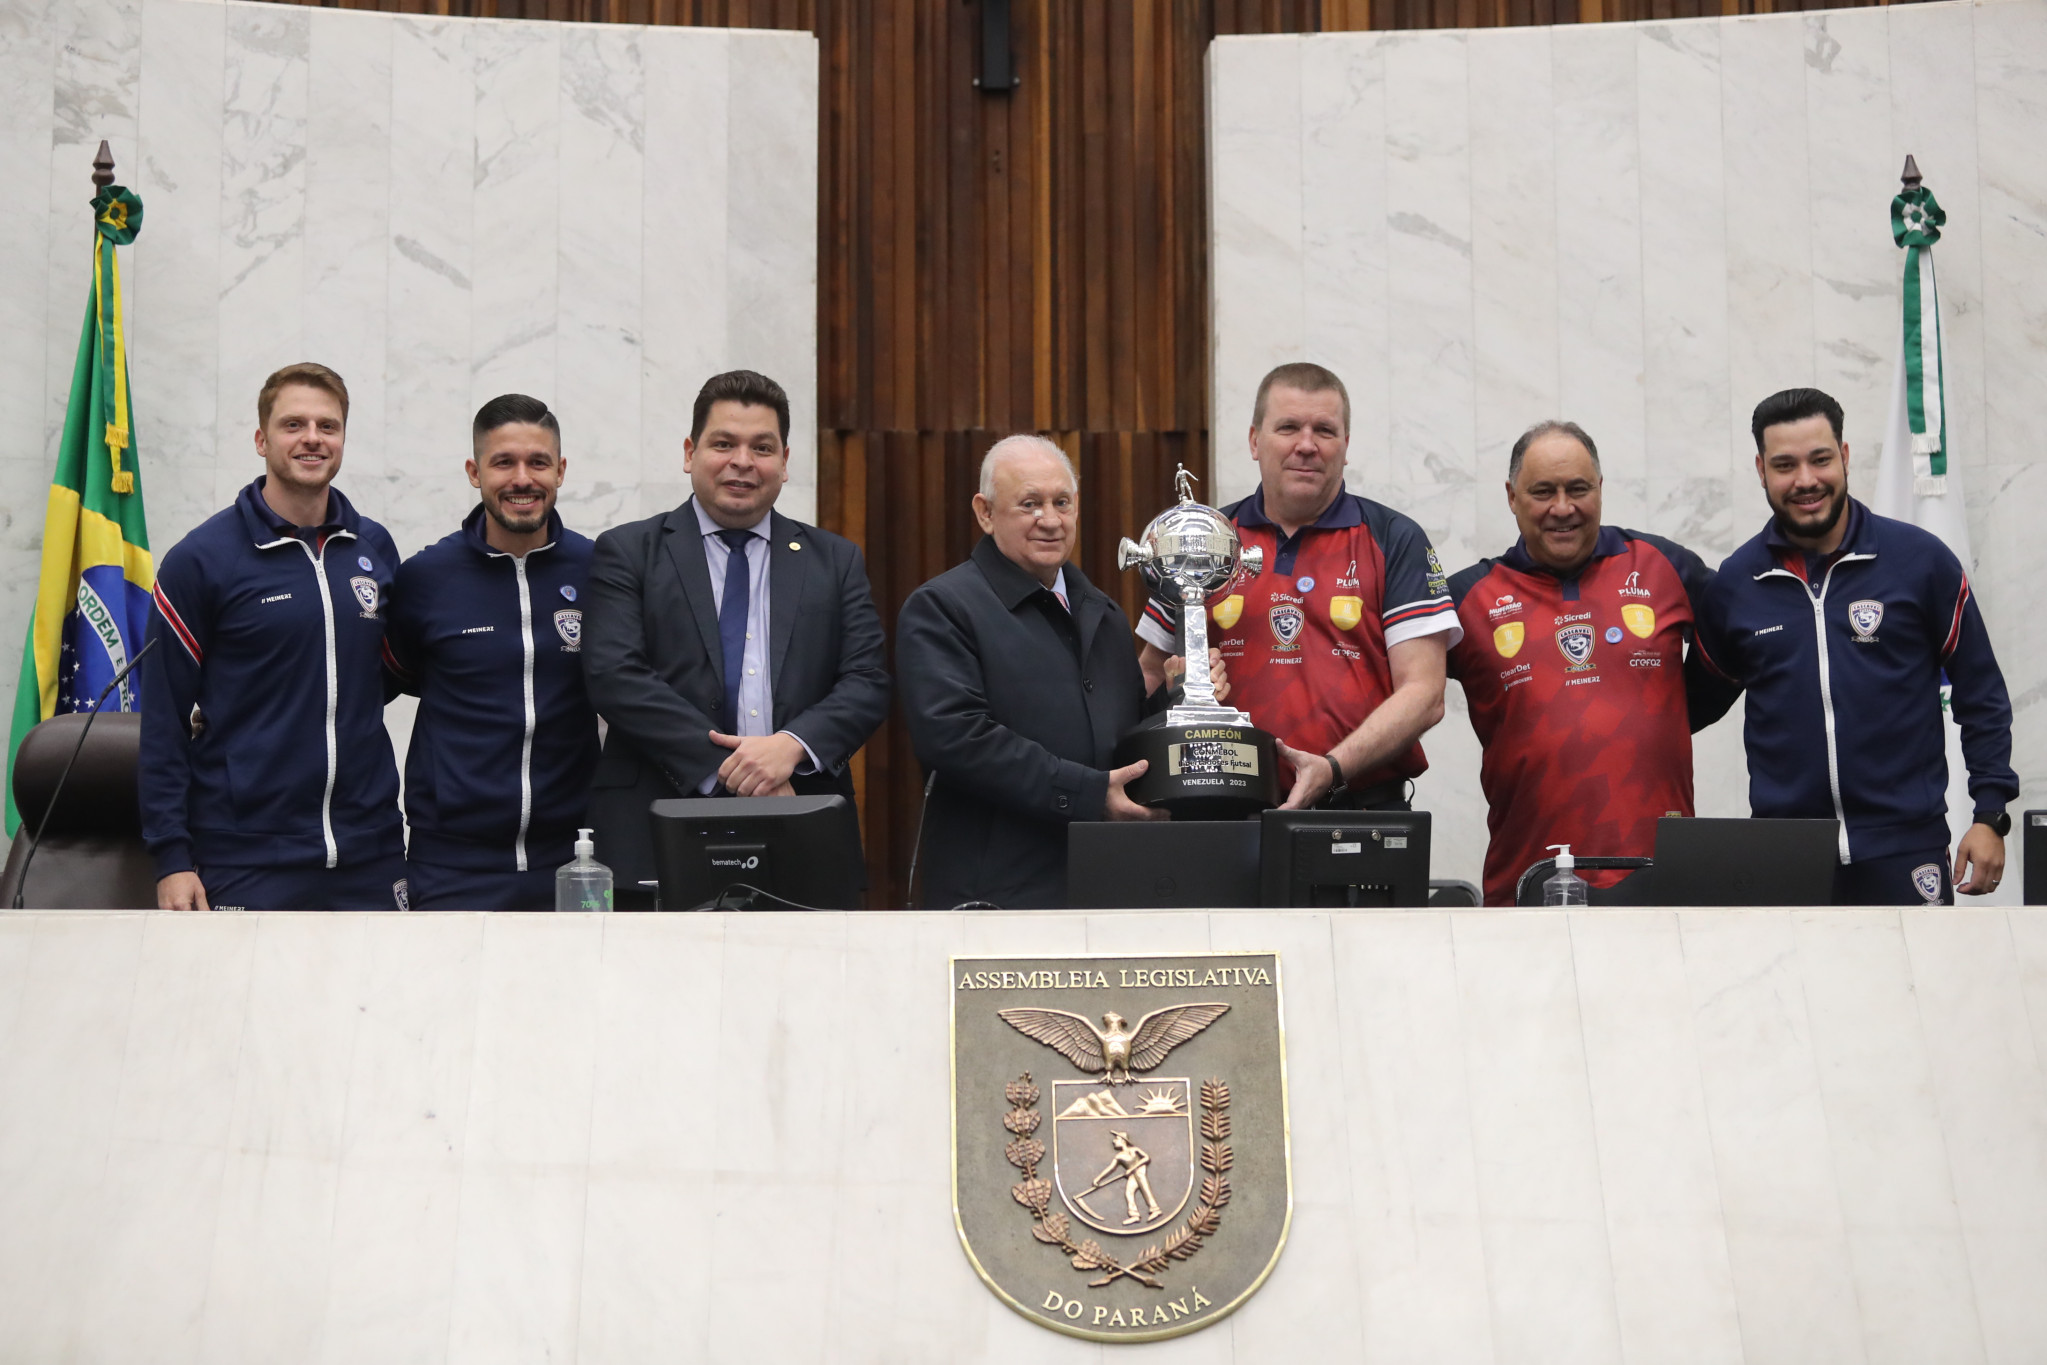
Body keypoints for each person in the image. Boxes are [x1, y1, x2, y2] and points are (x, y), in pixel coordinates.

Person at [1695, 387, 2017, 905]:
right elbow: (1686, 707)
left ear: (1844, 456)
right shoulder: (1738, 583)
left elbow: (1981, 694)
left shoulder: (1920, 561)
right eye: (1784, 465)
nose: (1805, 480)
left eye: (1820, 459)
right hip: (1786, 856)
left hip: (1907, 849)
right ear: (1761, 470)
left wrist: (1990, 814)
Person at [581, 370, 890, 904]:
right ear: (690, 453)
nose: (742, 461)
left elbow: (867, 681)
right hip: (654, 828)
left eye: (761, 448)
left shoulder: (835, 561)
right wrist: (737, 768)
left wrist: (791, 747)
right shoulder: (628, 551)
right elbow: (615, 676)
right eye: (723, 443)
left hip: (801, 814)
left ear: (785, 462)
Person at [896, 435, 1226, 910]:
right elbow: (954, 738)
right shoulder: (943, 608)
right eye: (1029, 503)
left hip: (1106, 884)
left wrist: (1178, 700)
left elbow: (1122, 738)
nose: (1050, 520)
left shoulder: (1104, 614)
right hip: (995, 898)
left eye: (1062, 502)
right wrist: (1088, 794)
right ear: (985, 512)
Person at [139, 363, 407, 911]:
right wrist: (172, 859)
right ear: (262, 440)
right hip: (246, 856)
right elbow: (163, 719)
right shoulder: (201, 559)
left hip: (370, 851)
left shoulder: (373, 547)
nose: (312, 438)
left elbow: (376, 676)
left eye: (327, 426)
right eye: (293, 425)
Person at [1137, 362, 1460, 810]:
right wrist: (1176, 694)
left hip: (1358, 810)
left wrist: (1332, 768)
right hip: (1222, 809)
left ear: (1346, 445)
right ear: (1255, 441)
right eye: (1288, 427)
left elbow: (1424, 694)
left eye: (1324, 431)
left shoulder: (1394, 538)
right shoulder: (1205, 539)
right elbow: (1150, 675)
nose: (1306, 446)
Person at [1445, 420, 1735, 905]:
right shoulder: (1467, 597)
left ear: (1600, 488)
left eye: (1578, 489)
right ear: (1512, 497)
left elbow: (1739, 644)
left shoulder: (1664, 566)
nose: (1563, 508)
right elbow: (1398, 685)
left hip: (1660, 884)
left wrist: (1677, 715)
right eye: (1543, 492)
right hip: (1527, 887)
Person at [383, 395, 601, 910]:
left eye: (538, 462)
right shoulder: (425, 578)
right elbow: (377, 685)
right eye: (503, 462)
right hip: (450, 865)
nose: (522, 479)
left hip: (575, 859)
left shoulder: (598, 570)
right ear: (474, 471)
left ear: (561, 471)